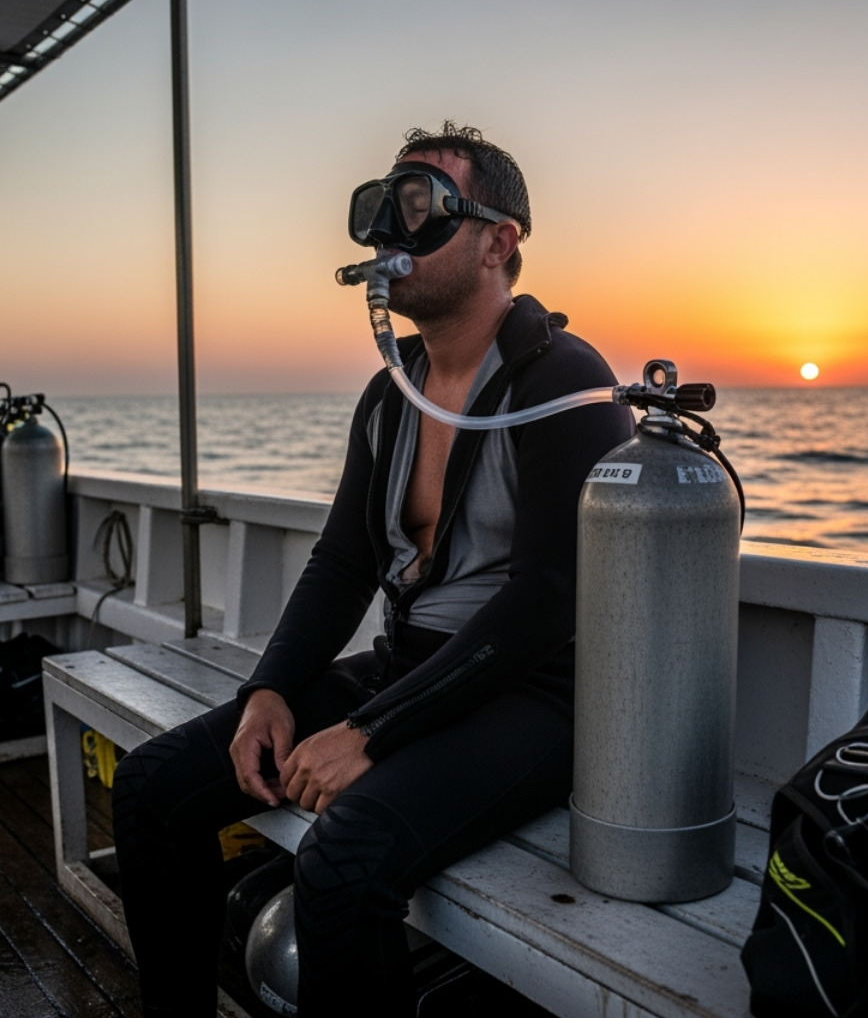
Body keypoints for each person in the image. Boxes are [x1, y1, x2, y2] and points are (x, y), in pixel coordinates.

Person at [111, 122, 634, 1018]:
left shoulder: (563, 380)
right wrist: (270, 691)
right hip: (408, 672)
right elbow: (344, 560)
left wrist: (372, 732)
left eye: (422, 205)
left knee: (344, 861)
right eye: (383, 207)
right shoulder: (393, 389)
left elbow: (549, 600)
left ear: (498, 242)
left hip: (532, 697)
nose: (393, 230)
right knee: (152, 789)